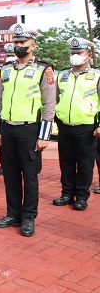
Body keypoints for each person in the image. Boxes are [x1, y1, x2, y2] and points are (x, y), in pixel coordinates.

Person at [0, 22, 55, 237]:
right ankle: (13, 214)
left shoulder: (43, 70)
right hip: (7, 130)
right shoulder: (5, 70)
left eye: (23, 42)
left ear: (33, 45)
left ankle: (28, 217)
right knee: (10, 174)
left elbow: (49, 104)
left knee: (29, 176)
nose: (18, 45)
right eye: (16, 41)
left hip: (30, 131)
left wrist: (44, 135)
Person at [52, 37, 100, 211]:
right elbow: (56, 97)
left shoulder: (97, 76)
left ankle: (81, 196)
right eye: (73, 53)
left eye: (79, 53)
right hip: (65, 125)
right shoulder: (62, 75)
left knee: (85, 163)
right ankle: (67, 193)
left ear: (88, 55)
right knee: (66, 162)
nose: (75, 56)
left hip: (87, 127)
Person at [0, 43, 17, 176]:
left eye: (12, 55)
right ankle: (4, 166)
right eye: (8, 55)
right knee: (3, 145)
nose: (9, 58)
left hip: (20, 116)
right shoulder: (3, 70)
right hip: (4, 114)